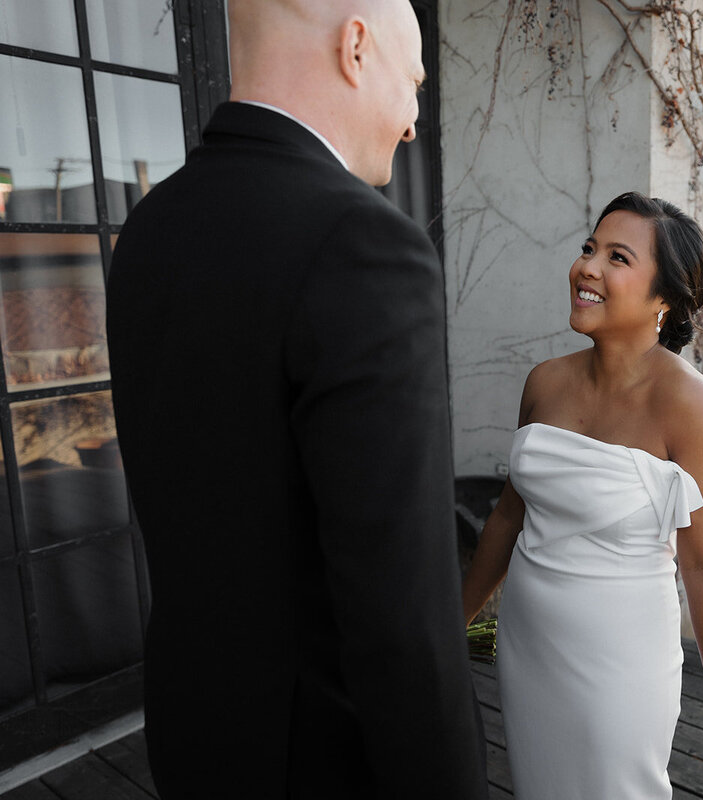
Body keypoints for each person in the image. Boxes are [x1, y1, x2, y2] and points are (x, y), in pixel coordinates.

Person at [106, 1, 487, 797]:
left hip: (193, 733)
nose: (413, 121)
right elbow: (405, 623)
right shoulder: (364, 243)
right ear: (356, 47)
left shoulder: (149, 229)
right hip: (322, 764)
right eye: (413, 82)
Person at [461, 192, 703, 800]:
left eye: (617, 257)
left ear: (664, 297)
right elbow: (507, 519)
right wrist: (457, 622)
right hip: (528, 648)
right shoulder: (544, 382)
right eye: (589, 249)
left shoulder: (691, 407)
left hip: (620, 667)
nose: (588, 267)